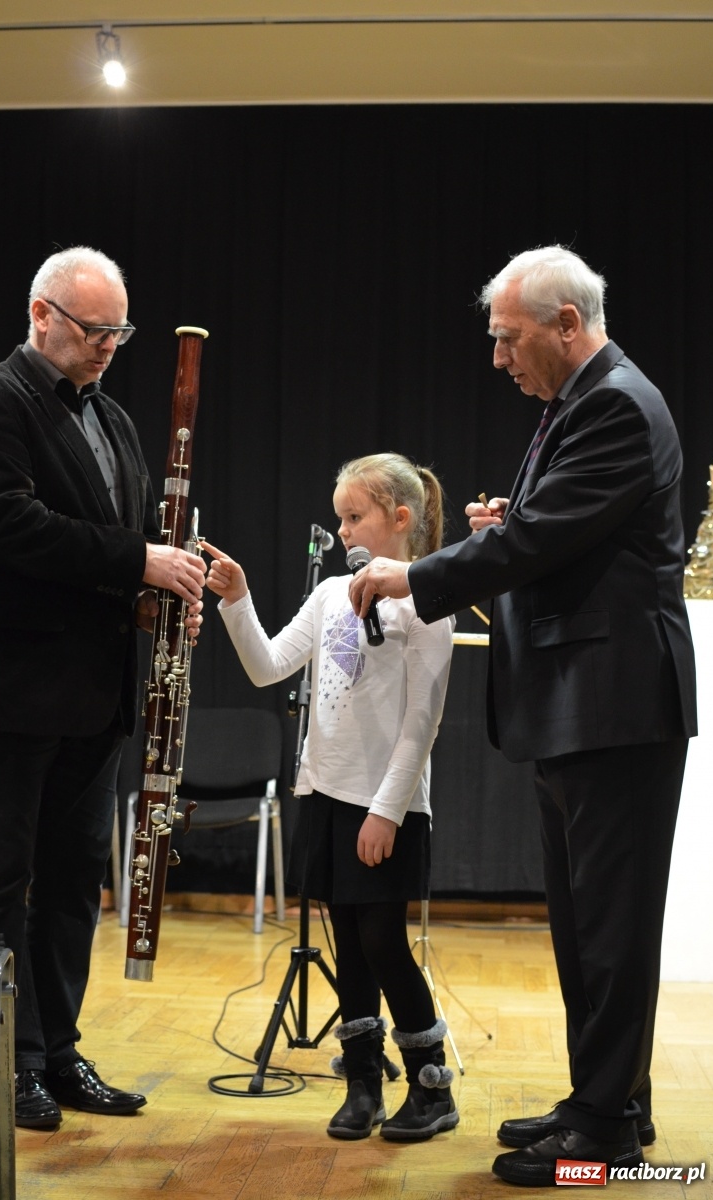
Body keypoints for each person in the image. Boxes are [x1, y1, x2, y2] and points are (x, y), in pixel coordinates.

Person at [349, 247, 697, 1186]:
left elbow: (547, 542)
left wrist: (414, 574)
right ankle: (605, 1099)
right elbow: (563, 534)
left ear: (566, 326)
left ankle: (608, 1137)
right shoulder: (582, 402)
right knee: (588, 926)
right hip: (586, 704)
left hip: (615, 706)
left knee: (611, 931)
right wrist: (511, 526)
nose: (499, 358)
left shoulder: (616, 403)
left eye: (509, 338)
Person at [0, 247, 206, 1130]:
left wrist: (159, 597)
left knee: (70, 884)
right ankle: (5, 1064)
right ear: (39, 313)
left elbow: (114, 546)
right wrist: (138, 560)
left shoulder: (118, 422)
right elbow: (9, 527)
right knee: (0, 887)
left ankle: (57, 1053)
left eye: (118, 332)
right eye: (93, 331)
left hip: (94, 696)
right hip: (9, 691)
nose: (107, 347)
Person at [203, 453, 459, 1142]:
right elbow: (266, 667)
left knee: (381, 939)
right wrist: (237, 601)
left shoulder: (425, 603)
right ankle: (364, 1084)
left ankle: (432, 1087)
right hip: (322, 790)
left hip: (384, 803)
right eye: (341, 516)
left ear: (399, 519)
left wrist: (385, 810)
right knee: (347, 938)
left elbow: (421, 723)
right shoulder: (327, 598)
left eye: (356, 517)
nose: (344, 531)